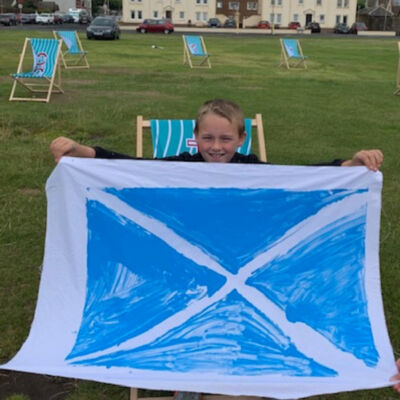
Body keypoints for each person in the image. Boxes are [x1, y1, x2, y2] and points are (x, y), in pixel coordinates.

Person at [50, 99, 383, 172]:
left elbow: (303, 174)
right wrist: (83, 151)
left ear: (240, 139)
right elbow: (134, 165)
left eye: (225, 140)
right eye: (208, 138)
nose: (216, 147)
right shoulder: (183, 163)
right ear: (195, 137)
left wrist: (349, 164)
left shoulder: (250, 166)